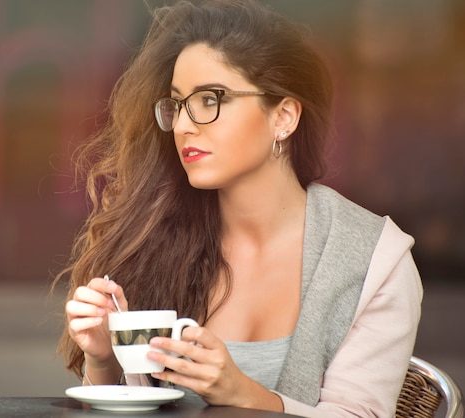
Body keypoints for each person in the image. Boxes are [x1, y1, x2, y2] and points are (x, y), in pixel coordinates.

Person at [54, 0, 423, 416]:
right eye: (177, 105)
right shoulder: (154, 239)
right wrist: (103, 361)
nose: (184, 125)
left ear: (283, 116)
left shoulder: (373, 260)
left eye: (211, 99)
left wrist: (242, 393)